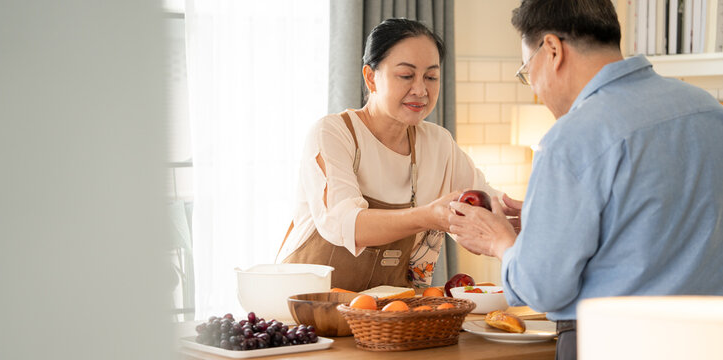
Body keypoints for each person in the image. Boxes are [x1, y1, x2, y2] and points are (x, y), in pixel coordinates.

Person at [447, 0, 723, 359]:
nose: (533, 86)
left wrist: (500, 241)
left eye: (526, 70)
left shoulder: (570, 139)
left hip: (614, 343)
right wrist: (544, 222)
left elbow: (543, 289)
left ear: (552, 50)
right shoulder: (708, 111)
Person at [278, 18, 521, 292]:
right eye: (406, 76)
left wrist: (522, 217)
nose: (421, 90)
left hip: (388, 319)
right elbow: (344, 224)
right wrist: (427, 216)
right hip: (306, 314)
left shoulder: (439, 144)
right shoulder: (333, 133)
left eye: (431, 77)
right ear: (371, 77)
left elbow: (485, 204)